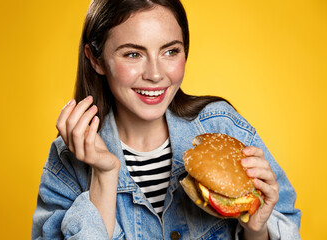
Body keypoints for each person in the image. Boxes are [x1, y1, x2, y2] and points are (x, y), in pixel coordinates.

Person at [32, 0, 301, 239]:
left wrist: (256, 230)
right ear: (96, 60)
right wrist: (104, 174)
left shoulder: (223, 128)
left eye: (170, 51)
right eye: (133, 54)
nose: (156, 74)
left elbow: (284, 224)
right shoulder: (68, 161)